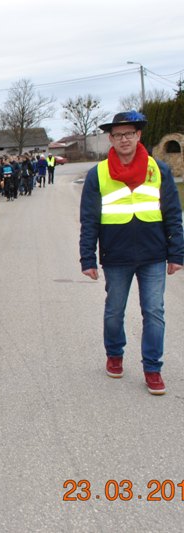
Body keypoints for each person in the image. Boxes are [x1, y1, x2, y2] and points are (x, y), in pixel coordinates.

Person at [79, 111, 184, 395]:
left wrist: (177, 253)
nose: (124, 139)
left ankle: (153, 369)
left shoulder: (158, 169)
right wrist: (87, 258)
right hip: (116, 255)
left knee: (154, 312)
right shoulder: (97, 174)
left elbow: (173, 213)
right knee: (114, 311)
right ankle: (114, 354)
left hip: (153, 254)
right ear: (110, 139)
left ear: (139, 135)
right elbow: (89, 219)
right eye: (118, 135)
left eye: (129, 133)